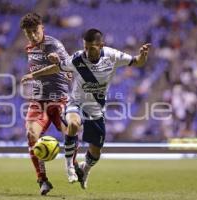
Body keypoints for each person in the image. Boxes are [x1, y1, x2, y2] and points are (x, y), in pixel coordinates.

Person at [22, 28, 151, 189]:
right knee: (74, 124)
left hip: (96, 109)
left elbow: (137, 61)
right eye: (85, 47)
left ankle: (85, 169)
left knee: (95, 153)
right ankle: (69, 167)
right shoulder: (78, 58)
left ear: (101, 45)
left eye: (91, 48)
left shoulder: (112, 56)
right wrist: (34, 75)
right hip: (76, 103)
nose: (87, 51)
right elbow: (56, 68)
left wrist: (143, 55)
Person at [19, 13, 79, 195]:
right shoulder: (29, 48)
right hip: (38, 101)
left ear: (42, 27)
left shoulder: (53, 44)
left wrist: (59, 63)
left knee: (71, 130)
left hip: (59, 99)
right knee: (31, 134)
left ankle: (74, 164)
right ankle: (42, 180)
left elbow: (69, 66)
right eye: (28, 33)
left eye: (35, 31)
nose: (33, 36)